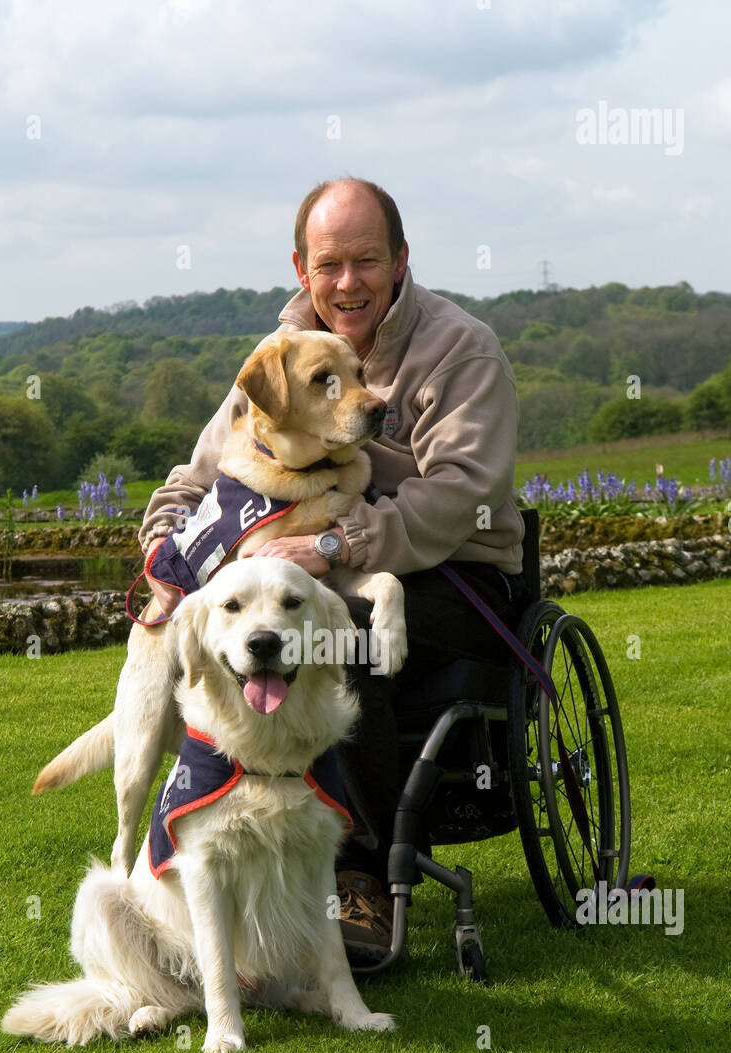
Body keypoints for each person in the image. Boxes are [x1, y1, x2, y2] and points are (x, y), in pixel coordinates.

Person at [139, 177, 529, 965]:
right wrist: (161, 556)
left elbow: (462, 495)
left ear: (400, 261)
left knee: (334, 633)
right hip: (322, 575)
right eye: (330, 265)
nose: (348, 282)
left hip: (462, 577)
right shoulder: (276, 359)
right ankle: (224, 863)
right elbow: (198, 473)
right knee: (234, 635)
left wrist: (335, 547)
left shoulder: (461, 349)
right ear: (301, 269)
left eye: (366, 261)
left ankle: (363, 877)